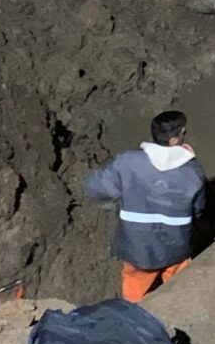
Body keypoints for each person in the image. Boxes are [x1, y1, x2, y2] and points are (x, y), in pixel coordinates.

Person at [85, 110, 206, 302]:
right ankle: (177, 307)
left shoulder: (128, 162)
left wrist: (117, 203)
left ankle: (134, 313)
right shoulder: (193, 174)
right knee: (180, 284)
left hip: (136, 246)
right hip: (176, 246)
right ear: (175, 140)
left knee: (134, 289)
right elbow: (198, 210)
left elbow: (96, 187)